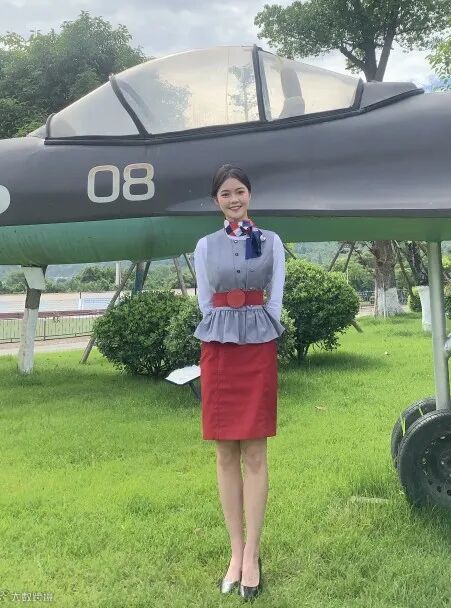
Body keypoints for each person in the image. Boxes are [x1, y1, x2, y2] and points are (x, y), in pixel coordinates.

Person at [193, 163, 286, 600]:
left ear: (250, 195)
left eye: (240, 191)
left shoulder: (271, 241)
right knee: (225, 452)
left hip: (258, 347)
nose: (234, 199)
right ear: (216, 200)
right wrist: (226, 324)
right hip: (218, 349)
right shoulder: (204, 246)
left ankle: (252, 554)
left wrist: (260, 325)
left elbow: (276, 297)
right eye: (226, 194)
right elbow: (204, 300)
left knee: (255, 452)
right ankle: (234, 552)